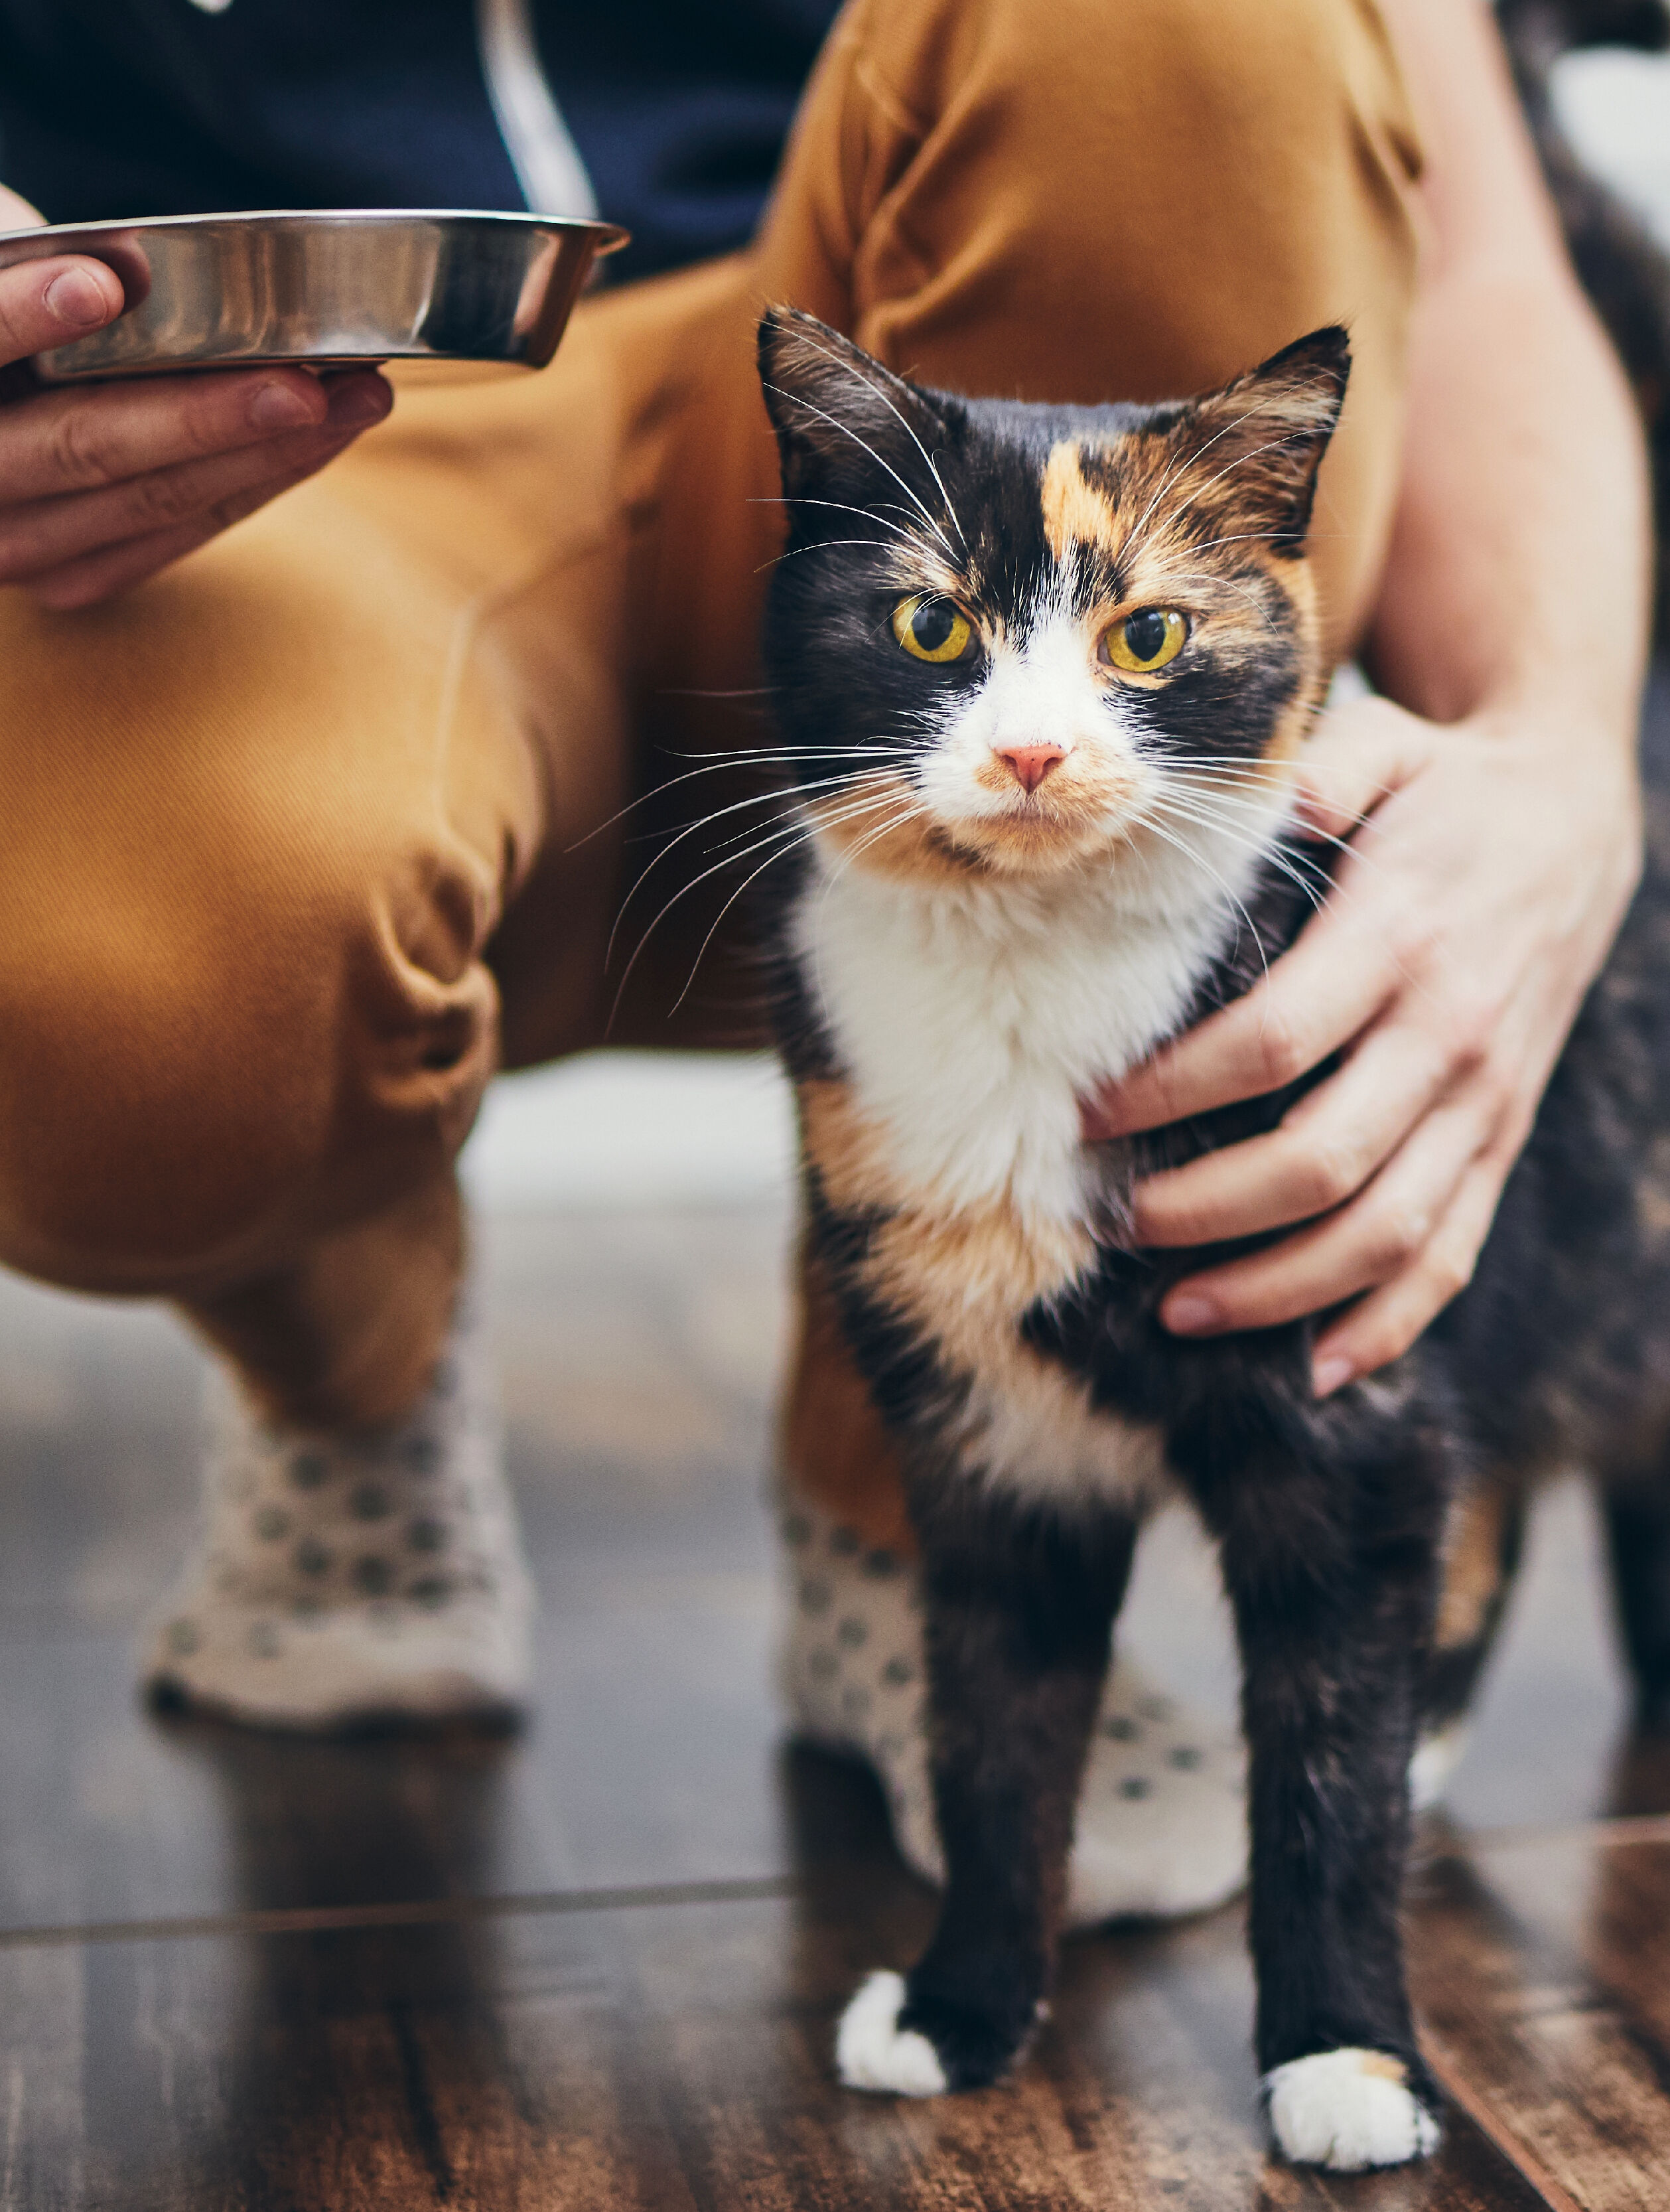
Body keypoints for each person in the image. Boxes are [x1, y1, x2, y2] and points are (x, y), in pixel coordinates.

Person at [0, 0, 1648, 1911]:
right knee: (120, 1011)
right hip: (240, 427)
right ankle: (339, 1355)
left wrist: (1556, 757)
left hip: (893, 352)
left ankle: (931, 1507)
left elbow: (1491, 265)